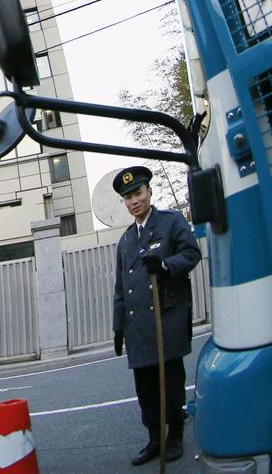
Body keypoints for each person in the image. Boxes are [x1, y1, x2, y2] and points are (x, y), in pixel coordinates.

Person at [112, 166, 200, 465]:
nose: (133, 201)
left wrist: (164, 266)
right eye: (127, 197)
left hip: (166, 317)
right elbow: (120, 288)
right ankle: (154, 439)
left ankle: (175, 434)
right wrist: (118, 327)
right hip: (137, 327)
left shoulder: (170, 221)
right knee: (146, 389)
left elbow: (191, 254)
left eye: (137, 193)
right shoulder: (125, 240)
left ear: (149, 191)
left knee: (171, 384)